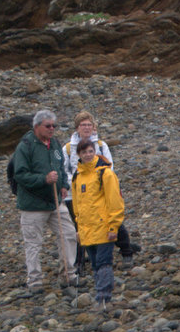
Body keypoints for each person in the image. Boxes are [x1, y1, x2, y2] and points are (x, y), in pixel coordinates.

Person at [62, 111, 139, 270]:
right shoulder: (68, 148)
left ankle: (126, 251)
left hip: (100, 192)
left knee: (112, 221)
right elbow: (64, 170)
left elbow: (110, 166)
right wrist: (77, 182)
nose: (86, 127)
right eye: (83, 125)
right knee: (80, 226)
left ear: (94, 127)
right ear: (77, 127)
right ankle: (80, 261)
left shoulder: (102, 146)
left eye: (89, 124)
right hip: (74, 194)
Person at [12, 109, 78, 290]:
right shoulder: (25, 146)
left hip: (55, 202)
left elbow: (61, 167)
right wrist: (44, 179)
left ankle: (68, 274)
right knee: (33, 243)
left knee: (69, 234)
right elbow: (20, 175)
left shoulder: (55, 144)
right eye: (48, 126)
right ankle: (34, 280)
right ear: (37, 126)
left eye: (54, 126)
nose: (52, 129)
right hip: (33, 204)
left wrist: (63, 185)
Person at [71, 138, 126, 311]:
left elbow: (115, 202)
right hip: (87, 229)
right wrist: (79, 229)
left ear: (95, 152)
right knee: (95, 264)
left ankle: (103, 298)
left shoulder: (105, 174)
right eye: (84, 152)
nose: (88, 155)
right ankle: (101, 297)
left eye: (90, 151)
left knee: (103, 263)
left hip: (103, 227)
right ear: (78, 154)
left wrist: (113, 226)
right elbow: (77, 207)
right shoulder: (77, 176)